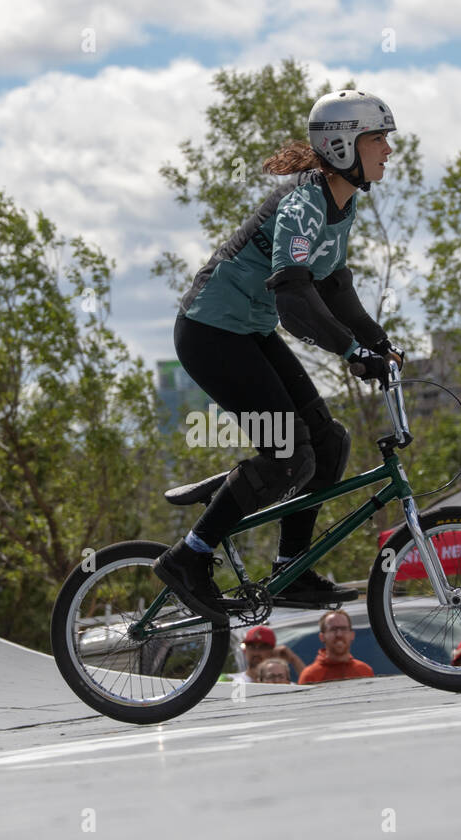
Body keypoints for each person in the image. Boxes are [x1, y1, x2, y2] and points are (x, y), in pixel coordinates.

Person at [153, 90, 403, 622]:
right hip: (209, 333)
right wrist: (351, 351)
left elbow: (333, 289)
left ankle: (292, 566)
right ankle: (188, 558)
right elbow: (293, 299)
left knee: (329, 442)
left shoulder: (342, 202)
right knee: (289, 455)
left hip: (247, 331)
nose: (388, 150)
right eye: (378, 139)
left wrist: (378, 343)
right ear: (342, 146)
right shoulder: (302, 204)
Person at [298, 610, 374, 684]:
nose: (339, 634)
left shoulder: (365, 671)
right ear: (322, 637)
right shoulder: (310, 676)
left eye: (343, 629)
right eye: (333, 629)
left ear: (352, 635)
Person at [228, 624, 305, 682]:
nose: (256, 652)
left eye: (263, 647)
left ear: (273, 651)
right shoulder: (231, 681)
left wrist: (294, 660)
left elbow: (312, 691)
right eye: (251, 646)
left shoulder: (282, 684)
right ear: (245, 650)